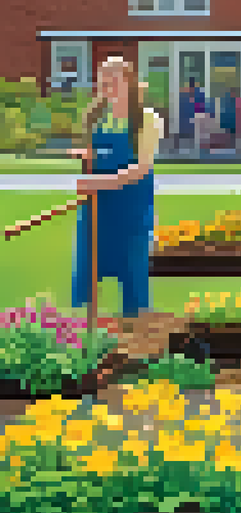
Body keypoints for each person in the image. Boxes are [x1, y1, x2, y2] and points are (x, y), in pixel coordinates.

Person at [72, 57, 163, 318]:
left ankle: (138, 337)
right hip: (98, 210)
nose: (107, 89)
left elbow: (142, 168)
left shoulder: (147, 119)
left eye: (113, 83)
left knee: (133, 274)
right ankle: (88, 335)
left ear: (129, 83)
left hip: (131, 206)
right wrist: (85, 157)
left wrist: (97, 183)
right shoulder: (97, 118)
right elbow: (98, 156)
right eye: (103, 84)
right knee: (89, 272)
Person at [177, 79, 204, 154]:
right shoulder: (183, 97)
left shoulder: (198, 96)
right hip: (185, 127)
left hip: (194, 127)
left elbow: (201, 111)